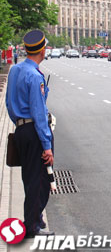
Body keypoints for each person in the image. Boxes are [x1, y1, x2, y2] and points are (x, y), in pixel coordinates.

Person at [5, 30, 55, 238]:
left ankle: (36, 219)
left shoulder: (15, 70)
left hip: (21, 129)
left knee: (30, 178)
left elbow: (8, 103)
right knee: (40, 181)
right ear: (42, 51)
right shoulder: (35, 77)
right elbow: (38, 113)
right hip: (35, 132)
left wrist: (19, 123)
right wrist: (47, 145)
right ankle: (32, 226)